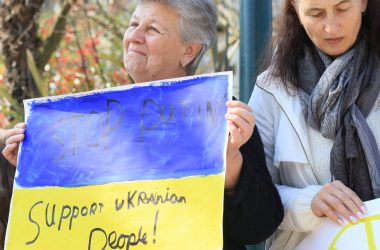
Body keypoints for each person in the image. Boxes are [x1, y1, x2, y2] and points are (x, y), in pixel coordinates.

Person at [2, 0, 283, 249]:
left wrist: (231, 161)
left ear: (189, 50)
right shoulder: (94, 118)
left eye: (152, 29)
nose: (134, 37)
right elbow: (77, 217)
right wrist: (35, 165)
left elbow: (259, 226)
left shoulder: (219, 114)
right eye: (133, 24)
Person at [249, 0, 380, 249]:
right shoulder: (272, 90)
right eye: (315, 13)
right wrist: (308, 202)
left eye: (342, 9)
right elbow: (256, 200)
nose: (331, 27)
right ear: (295, 11)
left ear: (363, 3)